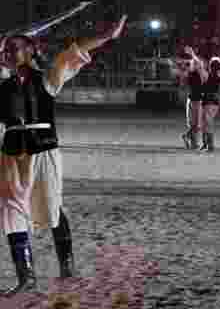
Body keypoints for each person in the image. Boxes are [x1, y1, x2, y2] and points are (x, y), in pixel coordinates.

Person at [0, 16, 127, 294]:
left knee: (52, 206)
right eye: (5, 49)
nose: (8, 53)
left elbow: (73, 52)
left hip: (43, 151)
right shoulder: (2, 86)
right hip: (10, 155)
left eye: (14, 48)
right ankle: (26, 276)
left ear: (31, 50)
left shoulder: (47, 78)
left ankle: (66, 264)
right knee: (11, 212)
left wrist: (106, 36)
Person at [199, 57, 220, 152]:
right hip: (213, 101)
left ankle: (209, 145)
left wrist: (193, 54)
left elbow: (202, 71)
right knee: (206, 123)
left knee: (207, 124)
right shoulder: (218, 75)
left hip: (209, 101)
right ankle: (206, 144)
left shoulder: (211, 75)